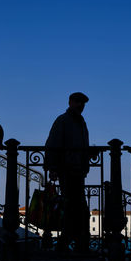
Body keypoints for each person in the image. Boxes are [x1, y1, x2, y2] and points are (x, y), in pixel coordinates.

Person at [44, 92, 90, 252]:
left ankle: (74, 242)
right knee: (73, 207)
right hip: (67, 169)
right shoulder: (63, 120)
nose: (81, 105)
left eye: (83, 103)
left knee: (78, 208)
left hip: (77, 170)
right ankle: (70, 243)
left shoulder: (80, 122)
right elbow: (52, 144)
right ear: (70, 102)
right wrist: (53, 168)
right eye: (78, 102)